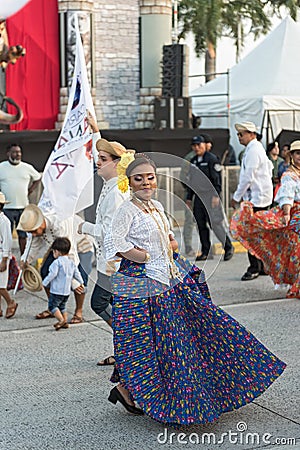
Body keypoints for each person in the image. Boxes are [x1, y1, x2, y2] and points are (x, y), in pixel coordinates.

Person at [104, 154, 285, 425]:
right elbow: (113, 243)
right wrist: (140, 256)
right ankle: (150, 394)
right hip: (143, 283)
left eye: (150, 177)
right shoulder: (127, 210)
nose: (145, 182)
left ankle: (135, 390)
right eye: (138, 178)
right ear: (129, 182)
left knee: (191, 332)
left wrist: (171, 243)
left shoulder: (154, 206)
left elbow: (165, 238)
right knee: (153, 343)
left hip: (169, 276)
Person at [78, 113, 132, 366]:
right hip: (110, 260)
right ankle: (124, 350)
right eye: (98, 158)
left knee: (99, 303)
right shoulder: (115, 183)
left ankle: (127, 347)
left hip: (114, 262)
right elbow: (107, 155)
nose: (97, 163)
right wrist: (96, 131)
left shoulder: (117, 192)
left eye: (102, 159)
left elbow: (110, 232)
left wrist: (83, 226)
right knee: (116, 308)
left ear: (116, 164)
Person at [231, 140, 300, 299]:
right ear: (292, 155)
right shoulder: (290, 175)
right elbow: (287, 197)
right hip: (296, 217)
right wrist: (287, 214)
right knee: (297, 252)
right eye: (297, 153)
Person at [17, 205, 86, 323]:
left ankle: (78, 311)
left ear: (41, 223)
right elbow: (33, 245)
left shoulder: (60, 224)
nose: (33, 234)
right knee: (45, 271)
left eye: (34, 231)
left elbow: (70, 252)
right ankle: (54, 307)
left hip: (80, 244)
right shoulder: (36, 229)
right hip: (57, 248)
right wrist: (25, 260)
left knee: (80, 281)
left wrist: (73, 281)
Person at [231, 122, 273, 281]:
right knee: (258, 234)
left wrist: (236, 196)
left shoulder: (254, 150)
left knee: (251, 234)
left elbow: (248, 177)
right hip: (258, 197)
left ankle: (255, 267)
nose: (239, 137)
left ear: (251, 134)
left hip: (257, 199)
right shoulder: (255, 149)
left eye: (241, 134)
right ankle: (261, 265)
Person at [186, 136, 234, 261]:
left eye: (199, 145)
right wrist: (189, 198)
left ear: (205, 145)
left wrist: (216, 195)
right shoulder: (193, 161)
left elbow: (216, 179)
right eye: (194, 146)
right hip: (198, 197)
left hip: (210, 196)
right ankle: (206, 251)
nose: (197, 148)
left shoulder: (212, 159)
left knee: (215, 224)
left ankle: (228, 247)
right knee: (201, 225)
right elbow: (190, 181)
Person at [0, 144, 41, 254]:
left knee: (23, 236)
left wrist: (30, 190)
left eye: (19, 152)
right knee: (6, 235)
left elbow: (38, 178)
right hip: (6, 207)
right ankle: (6, 257)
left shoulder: (27, 167)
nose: (17, 154)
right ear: (8, 153)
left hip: (23, 207)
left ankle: (23, 259)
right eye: (14, 152)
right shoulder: (1, 167)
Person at [42, 237, 84, 330]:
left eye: (53, 252)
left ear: (57, 251)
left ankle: (61, 320)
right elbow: (77, 273)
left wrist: (45, 282)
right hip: (66, 291)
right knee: (62, 306)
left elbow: (52, 274)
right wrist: (81, 282)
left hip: (56, 290)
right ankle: (64, 321)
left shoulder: (56, 263)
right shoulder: (71, 262)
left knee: (52, 306)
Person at [0, 192, 18, 319]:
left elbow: (7, 240)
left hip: (1, 255)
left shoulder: (4, 221)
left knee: (1, 286)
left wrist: (4, 259)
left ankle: (10, 302)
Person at [179, 144, 196, 257]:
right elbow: (182, 176)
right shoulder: (190, 158)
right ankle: (188, 246)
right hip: (191, 194)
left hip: (204, 194)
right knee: (189, 220)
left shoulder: (208, 157)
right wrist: (189, 190)